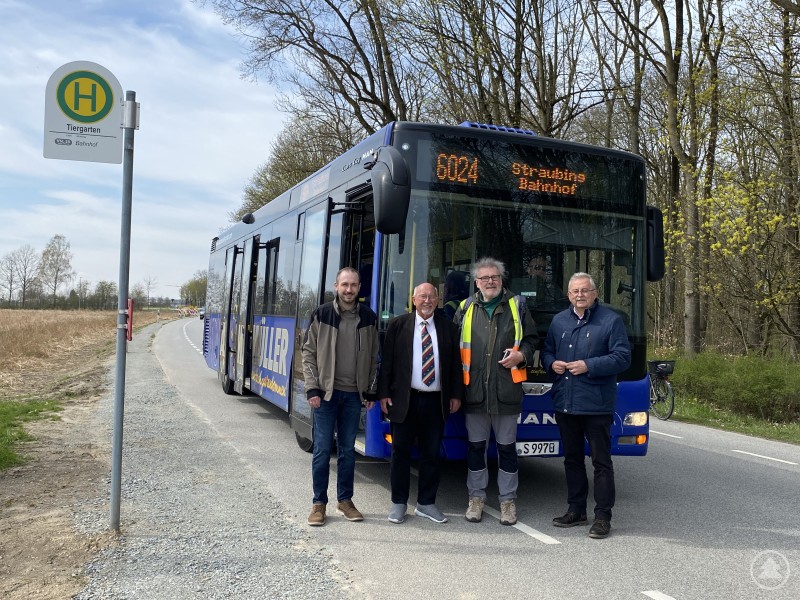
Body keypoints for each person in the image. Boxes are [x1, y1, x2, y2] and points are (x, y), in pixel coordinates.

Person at [541, 272, 631, 539]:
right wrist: (550, 363)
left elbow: (623, 357)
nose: (579, 295)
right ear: (568, 295)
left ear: (594, 293)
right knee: (571, 460)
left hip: (596, 404)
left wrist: (589, 365)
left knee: (601, 462)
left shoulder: (611, 320)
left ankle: (603, 516)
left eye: (584, 291)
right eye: (574, 292)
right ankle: (576, 510)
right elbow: (547, 350)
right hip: (565, 402)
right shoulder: (559, 321)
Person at [453, 257, 538, 525]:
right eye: (485, 278)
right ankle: (476, 498)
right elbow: (452, 345)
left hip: (507, 393)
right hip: (474, 394)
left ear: (502, 280)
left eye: (495, 277)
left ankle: (507, 502)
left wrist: (521, 356)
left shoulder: (518, 306)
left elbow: (532, 340)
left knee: (507, 450)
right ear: (476, 282)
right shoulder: (465, 308)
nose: (490, 281)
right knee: (476, 449)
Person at [378, 283, 463, 524]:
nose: (427, 301)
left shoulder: (448, 327)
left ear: (437, 300)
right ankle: (398, 503)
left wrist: (456, 394)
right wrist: (383, 393)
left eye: (431, 297)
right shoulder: (398, 324)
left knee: (431, 454)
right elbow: (387, 364)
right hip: (405, 399)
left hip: (436, 401)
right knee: (400, 452)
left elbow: (456, 364)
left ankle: (426, 504)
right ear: (414, 299)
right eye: (422, 296)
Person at [302, 267, 380, 527]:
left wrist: (370, 390)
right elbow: (308, 353)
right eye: (344, 284)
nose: (349, 290)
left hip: (353, 396)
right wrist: (312, 388)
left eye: (354, 285)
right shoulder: (322, 314)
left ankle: (345, 500)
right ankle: (318, 504)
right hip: (325, 396)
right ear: (336, 286)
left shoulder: (369, 317)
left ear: (359, 288)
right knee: (323, 451)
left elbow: (373, 359)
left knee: (347, 451)